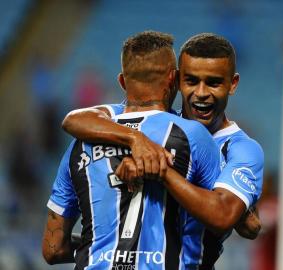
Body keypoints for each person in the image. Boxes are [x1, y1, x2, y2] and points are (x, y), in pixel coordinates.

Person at [62, 33, 264, 268]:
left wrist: (160, 171)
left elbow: (234, 218)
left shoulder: (242, 149)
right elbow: (75, 120)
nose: (200, 93)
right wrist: (136, 140)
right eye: (191, 81)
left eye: (213, 82)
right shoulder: (153, 124)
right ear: (176, 79)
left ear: (233, 84)